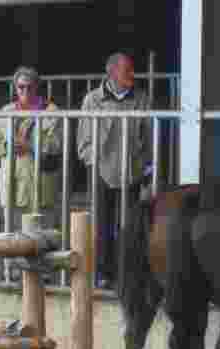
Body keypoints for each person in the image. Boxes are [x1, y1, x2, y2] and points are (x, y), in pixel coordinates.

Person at [77, 52, 151, 290]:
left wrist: (146, 167)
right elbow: (83, 141)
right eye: (126, 70)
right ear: (112, 73)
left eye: (132, 69)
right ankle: (103, 273)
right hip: (101, 171)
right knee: (102, 224)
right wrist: (93, 164)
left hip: (132, 172)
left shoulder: (142, 98)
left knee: (130, 226)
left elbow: (148, 137)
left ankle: (126, 275)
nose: (132, 74)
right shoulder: (93, 99)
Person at [0, 65, 63, 238]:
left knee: (44, 238)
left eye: (30, 86)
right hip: (12, 185)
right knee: (13, 239)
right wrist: (8, 147)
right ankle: (13, 267)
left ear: (37, 87)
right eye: (21, 87)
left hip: (41, 186)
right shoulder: (6, 111)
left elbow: (57, 144)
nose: (25, 90)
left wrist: (29, 145)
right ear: (15, 88)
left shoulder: (51, 111)